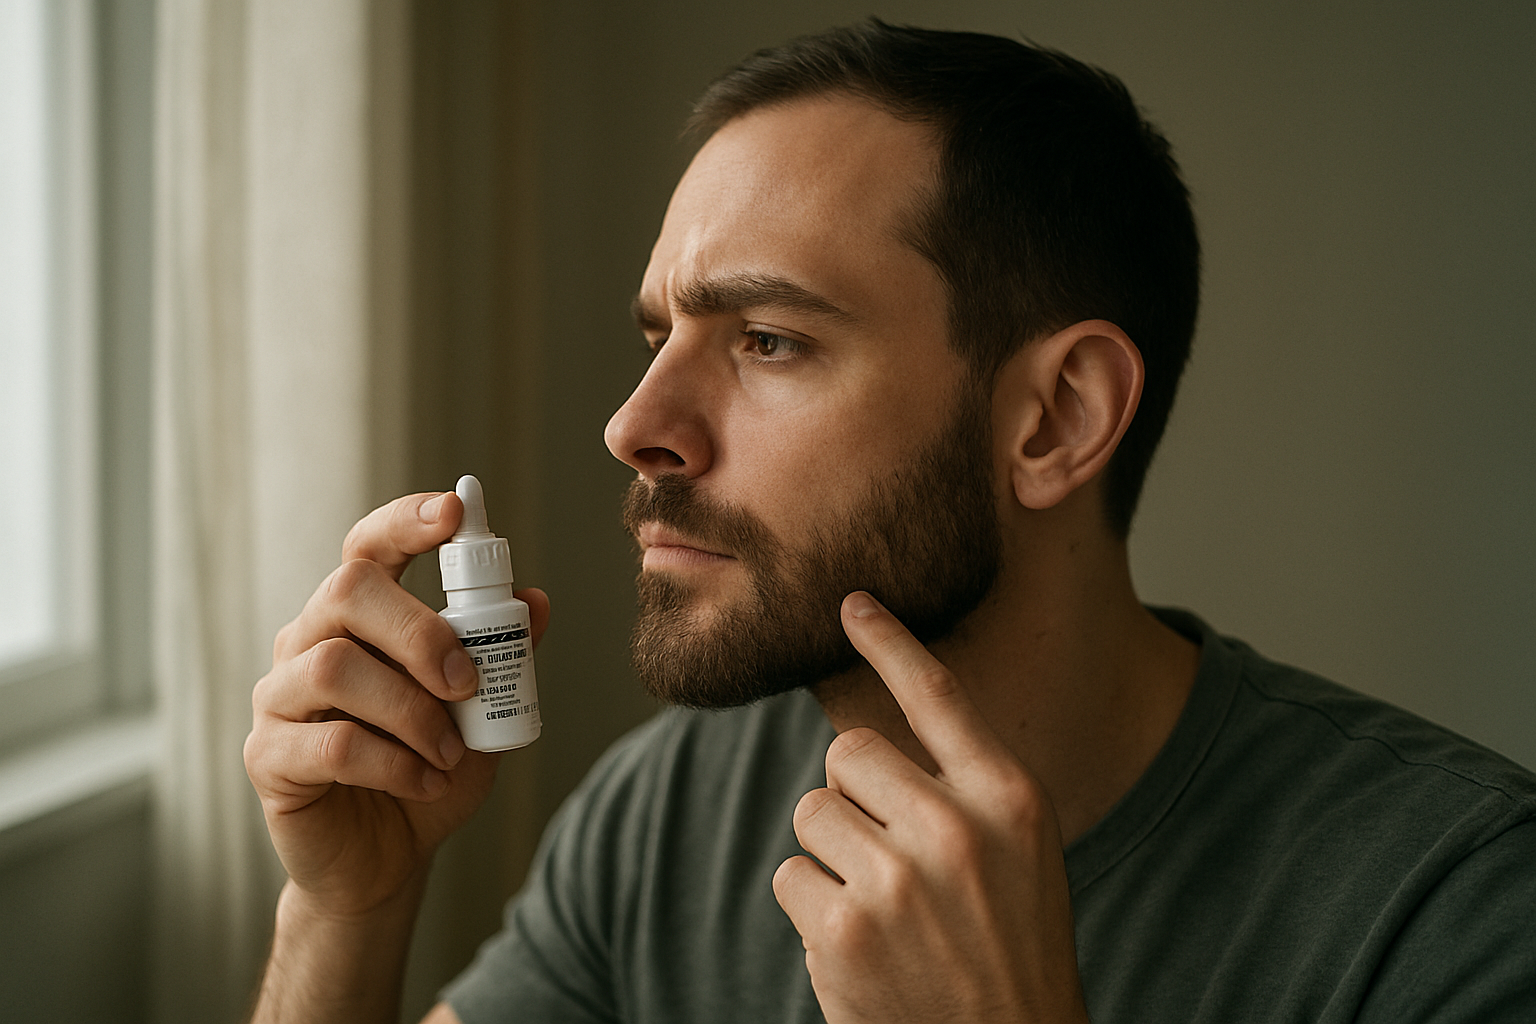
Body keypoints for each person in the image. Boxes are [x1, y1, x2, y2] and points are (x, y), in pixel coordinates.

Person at [243, 21, 1536, 1024]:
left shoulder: (1461, 913)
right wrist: (345, 912)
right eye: (660, 337)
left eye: (766, 339)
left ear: (1056, 420)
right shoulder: (675, 812)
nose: (635, 424)